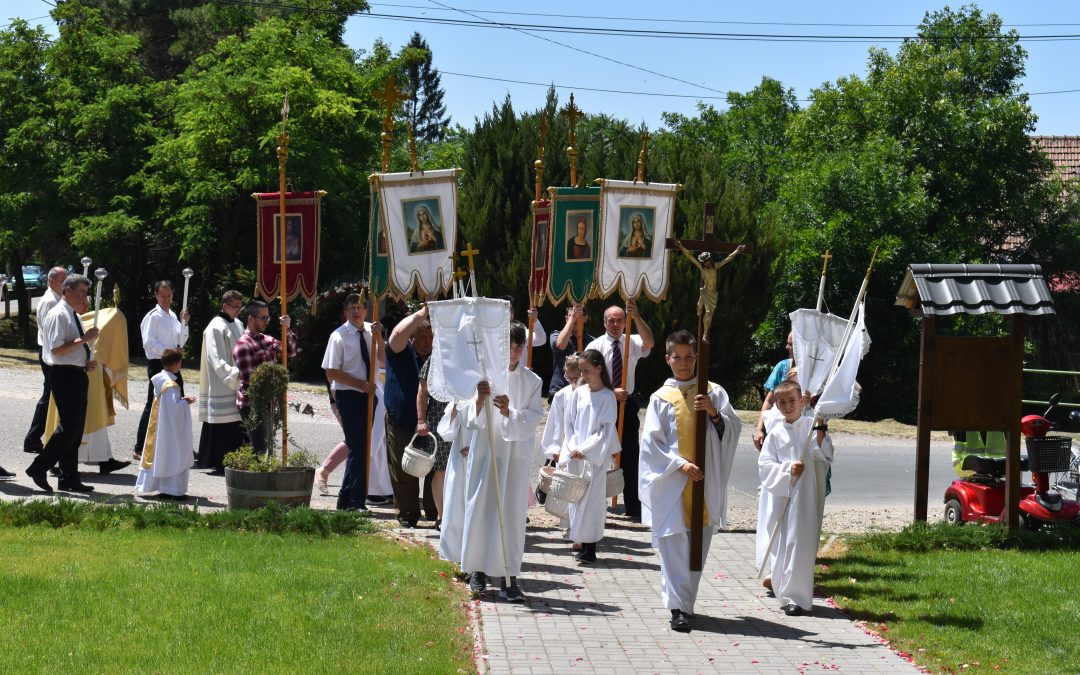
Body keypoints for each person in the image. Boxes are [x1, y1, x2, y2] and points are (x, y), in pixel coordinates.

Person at [640, 330, 741, 633]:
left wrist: (713, 413)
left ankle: (687, 604)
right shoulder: (660, 398)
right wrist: (680, 464)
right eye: (677, 357)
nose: (683, 363)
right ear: (668, 358)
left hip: (704, 483)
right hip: (673, 483)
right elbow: (651, 445)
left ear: (697, 357)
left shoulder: (714, 392)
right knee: (673, 547)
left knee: (697, 547)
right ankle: (676, 608)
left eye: (689, 357)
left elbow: (732, 430)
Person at [461, 322, 543, 602]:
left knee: (511, 514)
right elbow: (472, 420)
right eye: (509, 346)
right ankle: (478, 570)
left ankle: (510, 576)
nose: (514, 351)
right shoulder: (485, 377)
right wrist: (480, 400)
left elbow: (532, 419)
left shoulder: (533, 381)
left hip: (515, 458)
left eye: (519, 346)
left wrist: (510, 412)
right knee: (483, 510)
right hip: (488, 451)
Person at [758, 379, 834, 617]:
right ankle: (783, 589)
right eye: (783, 402)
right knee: (783, 544)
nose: (788, 406)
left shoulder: (810, 426)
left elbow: (824, 454)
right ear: (777, 406)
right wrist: (787, 470)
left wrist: (821, 429)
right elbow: (765, 465)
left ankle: (797, 597)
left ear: (802, 401)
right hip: (783, 497)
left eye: (792, 401)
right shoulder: (775, 434)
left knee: (800, 543)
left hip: (805, 497)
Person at [25, 274, 100, 493]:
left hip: (75, 373)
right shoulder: (59, 313)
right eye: (81, 292)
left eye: (86, 292)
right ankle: (39, 467)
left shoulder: (71, 314)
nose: (84, 297)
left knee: (75, 431)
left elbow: (70, 349)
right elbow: (56, 350)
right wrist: (84, 340)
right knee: (70, 427)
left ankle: (69, 477)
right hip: (64, 375)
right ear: (67, 291)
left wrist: (85, 362)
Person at [585, 300, 654, 521]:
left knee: (630, 455)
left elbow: (649, 342)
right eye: (611, 320)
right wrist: (610, 391)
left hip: (627, 403)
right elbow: (587, 376)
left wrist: (636, 317)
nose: (615, 324)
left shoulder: (631, 341)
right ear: (605, 323)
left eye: (620, 320)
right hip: (602, 403)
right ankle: (592, 502)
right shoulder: (595, 346)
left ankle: (633, 505)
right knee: (597, 453)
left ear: (625, 322)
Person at [321, 292, 382, 511]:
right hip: (349, 395)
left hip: (369, 395)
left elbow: (382, 360)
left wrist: (380, 338)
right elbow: (331, 372)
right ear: (345, 313)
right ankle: (357, 500)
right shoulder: (339, 336)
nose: (356, 311)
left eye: (359, 307)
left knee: (361, 447)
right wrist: (360, 385)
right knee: (358, 447)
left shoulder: (370, 331)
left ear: (366, 310)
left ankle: (345, 499)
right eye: (352, 308)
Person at [560, 349, 618, 564]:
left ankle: (591, 545)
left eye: (587, 370)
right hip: (577, 455)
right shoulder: (579, 393)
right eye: (581, 371)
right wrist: (574, 447)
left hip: (593, 457)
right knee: (577, 498)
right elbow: (570, 423)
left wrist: (585, 449)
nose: (583, 375)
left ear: (599, 368)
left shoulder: (607, 396)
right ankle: (580, 541)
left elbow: (605, 430)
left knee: (592, 501)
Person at [384, 303, 435, 527]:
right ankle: (407, 513)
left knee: (436, 470)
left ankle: (436, 512)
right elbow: (396, 334)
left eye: (430, 337)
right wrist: (423, 313)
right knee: (404, 470)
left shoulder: (439, 358)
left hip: (433, 424)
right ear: (412, 338)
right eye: (422, 337)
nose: (427, 342)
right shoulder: (400, 352)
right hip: (402, 420)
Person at [133, 281, 189, 460]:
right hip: (158, 364)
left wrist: (185, 323)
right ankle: (140, 447)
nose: (166, 299)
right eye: (163, 295)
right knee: (153, 404)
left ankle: (176, 444)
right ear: (156, 295)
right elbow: (148, 343)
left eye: (169, 295)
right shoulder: (153, 316)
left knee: (178, 403)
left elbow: (182, 340)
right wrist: (170, 354)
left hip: (174, 364)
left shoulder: (173, 315)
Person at [233, 300, 296, 455]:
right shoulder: (243, 345)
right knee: (259, 449)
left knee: (263, 448)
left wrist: (287, 329)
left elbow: (290, 352)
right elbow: (252, 379)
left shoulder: (266, 340)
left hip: (268, 402)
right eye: (263, 318)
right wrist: (277, 383)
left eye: (268, 318)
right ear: (250, 318)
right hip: (252, 405)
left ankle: (258, 476)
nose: (267, 321)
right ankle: (250, 478)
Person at [135, 348, 195, 500]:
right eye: (180, 362)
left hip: (161, 426)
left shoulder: (161, 379)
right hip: (169, 429)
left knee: (161, 455)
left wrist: (180, 402)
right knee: (172, 454)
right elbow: (174, 409)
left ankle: (163, 487)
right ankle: (172, 490)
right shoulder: (170, 386)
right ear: (176, 364)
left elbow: (169, 405)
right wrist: (185, 403)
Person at [196, 290, 246, 473]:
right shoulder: (215, 327)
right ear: (224, 306)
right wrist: (234, 375)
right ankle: (219, 461)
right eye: (235, 306)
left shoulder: (238, 324)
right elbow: (215, 358)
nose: (239, 310)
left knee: (236, 424)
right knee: (223, 424)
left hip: (237, 380)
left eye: (241, 306)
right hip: (222, 383)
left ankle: (235, 461)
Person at [23, 266, 66, 454]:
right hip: (49, 353)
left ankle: (36, 437)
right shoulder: (50, 301)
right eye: (63, 280)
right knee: (49, 395)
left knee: (51, 395)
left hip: (52, 352)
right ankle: (33, 438)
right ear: (51, 281)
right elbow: (51, 333)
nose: (66, 284)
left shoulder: (58, 298)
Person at [417, 357, 453, 529]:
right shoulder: (434, 360)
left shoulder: (467, 354)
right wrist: (421, 420)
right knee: (440, 470)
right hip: (438, 419)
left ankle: (456, 515)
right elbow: (422, 392)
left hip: (462, 417)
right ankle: (442, 516)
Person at [437, 400, 472, 574]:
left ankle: (476, 558)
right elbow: (447, 433)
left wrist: (474, 448)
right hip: (460, 460)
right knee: (457, 506)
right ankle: (458, 555)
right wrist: (454, 411)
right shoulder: (460, 399)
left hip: (482, 457)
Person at [754, 331, 794, 450]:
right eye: (787, 343)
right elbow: (769, 401)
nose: (787, 347)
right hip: (779, 431)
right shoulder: (782, 367)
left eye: (791, 344)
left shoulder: (813, 371)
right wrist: (759, 430)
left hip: (803, 430)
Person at [548, 304, 595, 403]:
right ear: (566, 318)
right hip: (560, 388)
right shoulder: (556, 334)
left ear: (585, 318)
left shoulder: (593, 342)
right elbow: (560, 346)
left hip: (584, 391)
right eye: (571, 315)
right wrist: (572, 318)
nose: (575, 321)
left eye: (579, 316)